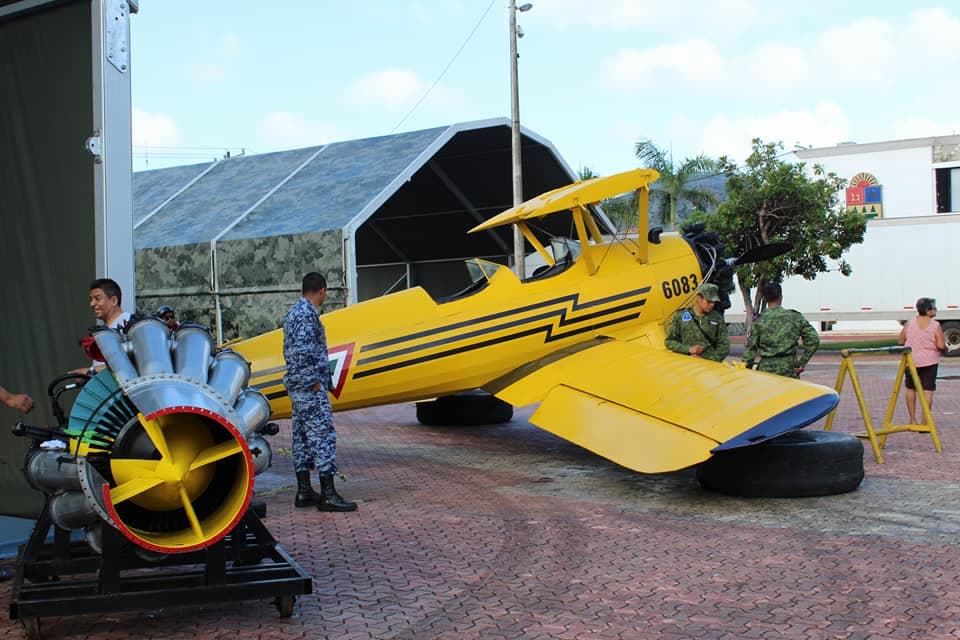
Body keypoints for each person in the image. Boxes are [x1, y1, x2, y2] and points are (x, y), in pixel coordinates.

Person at [282, 272, 356, 512]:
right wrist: (314, 382)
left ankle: (304, 491)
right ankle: (328, 494)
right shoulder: (306, 315)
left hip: (298, 387)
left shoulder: (294, 313)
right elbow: (303, 351)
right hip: (309, 388)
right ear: (322, 290)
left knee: (302, 438)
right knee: (322, 435)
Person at [742, 282, 820, 378]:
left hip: (766, 372)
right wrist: (802, 362)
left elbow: (749, 352)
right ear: (781, 297)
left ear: (764, 299)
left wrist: (746, 372)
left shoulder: (759, 321)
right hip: (789, 370)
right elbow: (814, 339)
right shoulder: (795, 317)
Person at [898, 297, 946, 425]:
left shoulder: (910, 323)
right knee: (927, 390)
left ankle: (912, 420)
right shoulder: (935, 325)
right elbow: (941, 345)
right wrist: (945, 350)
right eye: (934, 307)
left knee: (910, 388)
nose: (936, 309)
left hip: (911, 361)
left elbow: (901, 341)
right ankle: (925, 421)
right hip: (929, 362)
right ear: (928, 310)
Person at [71, 278, 132, 375]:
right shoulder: (104, 331)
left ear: (113, 300)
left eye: (97, 298)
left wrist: (90, 371)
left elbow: (130, 363)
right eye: (91, 299)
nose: (92, 304)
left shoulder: (129, 324)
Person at [665, 282, 730, 362]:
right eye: (709, 301)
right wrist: (688, 349)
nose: (712, 305)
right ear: (699, 298)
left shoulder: (717, 318)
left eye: (714, 302)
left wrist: (708, 360)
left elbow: (724, 346)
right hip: (685, 366)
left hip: (710, 368)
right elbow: (670, 342)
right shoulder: (681, 316)